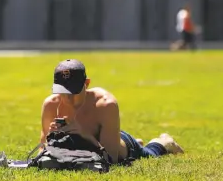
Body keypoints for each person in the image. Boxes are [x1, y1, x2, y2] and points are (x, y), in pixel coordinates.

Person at [40, 59, 183, 164]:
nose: (67, 99)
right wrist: (50, 139)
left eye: (73, 92)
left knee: (150, 154)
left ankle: (165, 142)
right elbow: (42, 150)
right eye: (62, 92)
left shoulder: (105, 104)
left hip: (121, 150)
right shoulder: (51, 105)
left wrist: (83, 134)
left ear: (87, 84)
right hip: (104, 139)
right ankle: (135, 140)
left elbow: (111, 159)